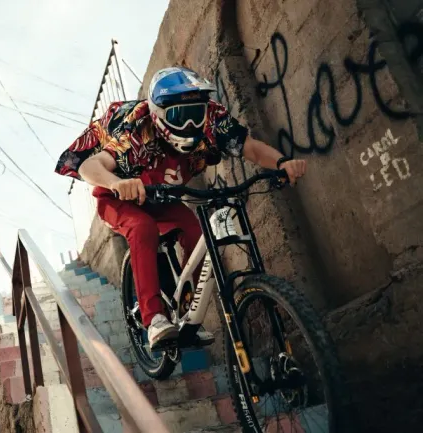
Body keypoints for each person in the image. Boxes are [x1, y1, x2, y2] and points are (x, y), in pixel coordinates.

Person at [54, 67, 306, 350]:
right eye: (178, 116)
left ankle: (187, 317)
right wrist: (116, 183)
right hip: (119, 198)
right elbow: (90, 165)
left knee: (199, 234)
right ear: (159, 114)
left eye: (195, 114)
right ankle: (154, 320)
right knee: (142, 228)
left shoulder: (212, 118)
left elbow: (250, 148)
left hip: (164, 197)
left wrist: (283, 163)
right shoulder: (136, 128)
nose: (189, 125)